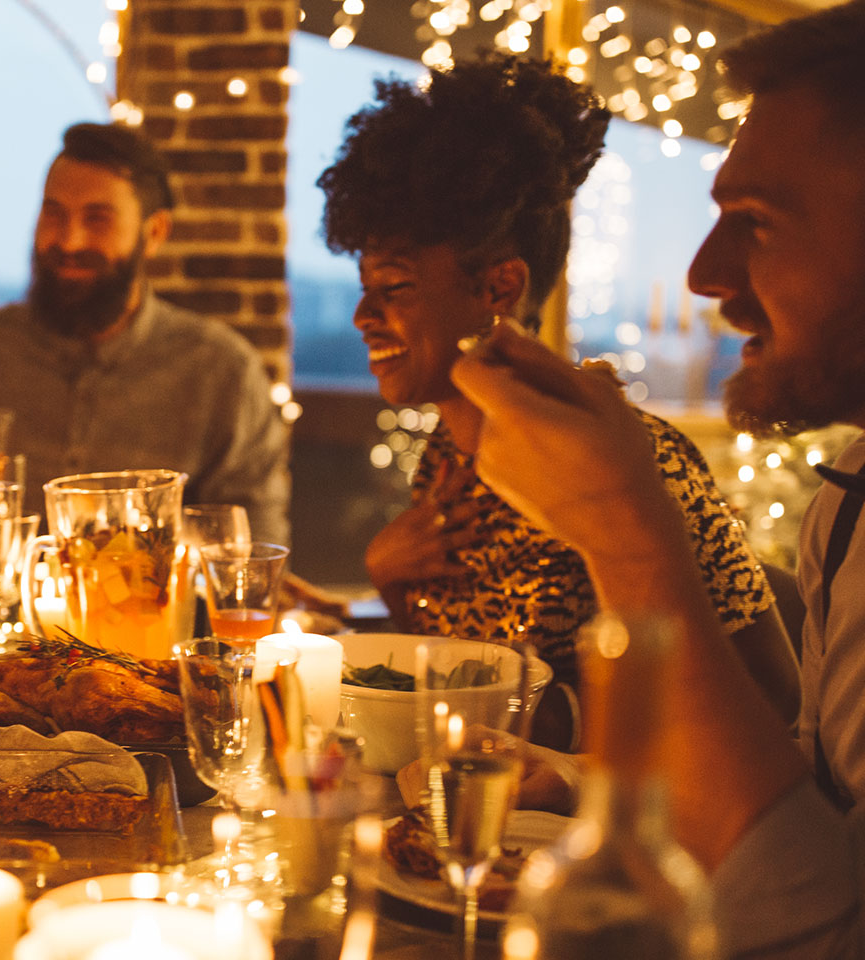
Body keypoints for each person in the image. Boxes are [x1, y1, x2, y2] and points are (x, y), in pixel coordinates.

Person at [442, 1, 865, 955]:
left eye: (755, 222)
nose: (705, 275)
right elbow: (809, 803)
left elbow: (847, 942)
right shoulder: (854, 511)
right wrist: (591, 783)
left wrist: (628, 532)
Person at [317, 53, 797, 726]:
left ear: (499, 289)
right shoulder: (446, 462)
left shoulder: (637, 460)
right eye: (365, 291)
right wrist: (391, 579)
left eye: (394, 288)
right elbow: (460, 674)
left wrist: (558, 725)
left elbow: (777, 705)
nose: (364, 318)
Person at [0, 122, 291, 543]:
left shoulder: (222, 371)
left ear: (154, 233)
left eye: (97, 220)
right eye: (53, 214)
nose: (69, 241)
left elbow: (251, 549)